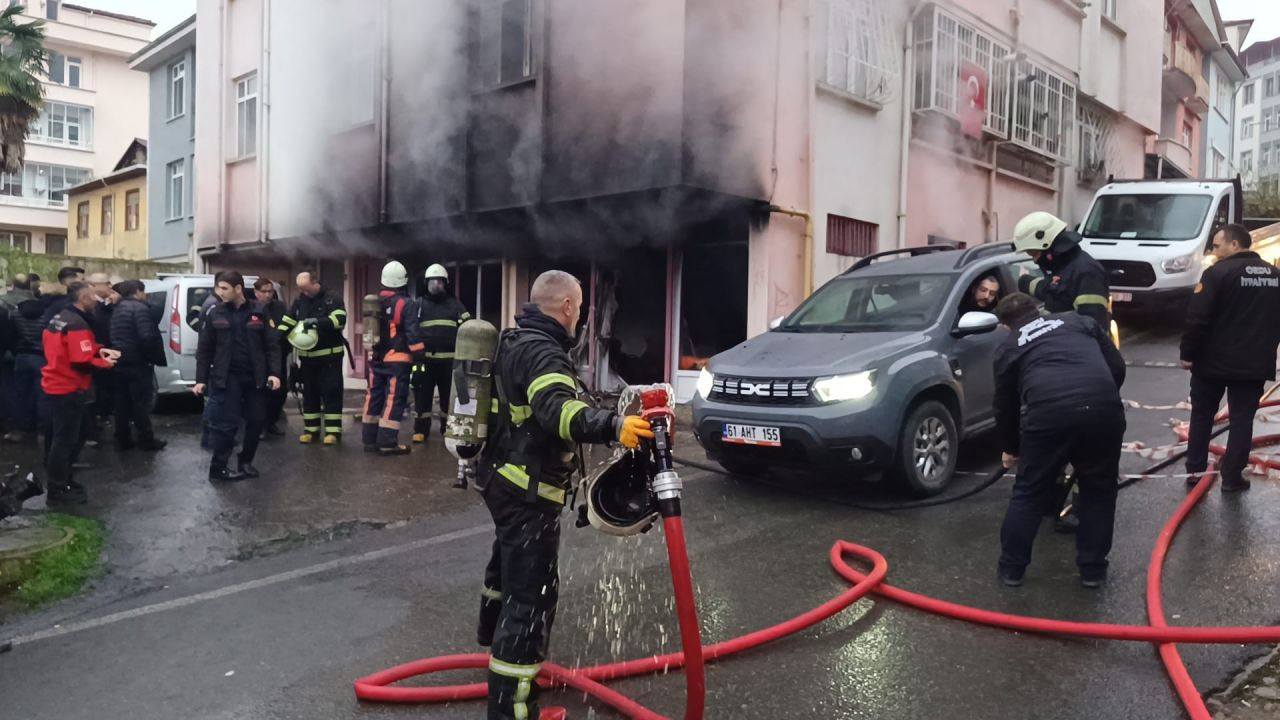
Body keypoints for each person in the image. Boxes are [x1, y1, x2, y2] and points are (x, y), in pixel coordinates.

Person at [476, 270, 653, 720]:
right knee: (530, 601)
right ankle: (513, 709)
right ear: (570, 307)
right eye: (579, 309)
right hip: (527, 491)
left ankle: (489, 641)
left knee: (508, 572)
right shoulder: (544, 353)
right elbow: (558, 409)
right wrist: (614, 426)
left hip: (501, 480)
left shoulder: (516, 341)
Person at [992, 293, 1126, 589]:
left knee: (1028, 492)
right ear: (1038, 310)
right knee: (1099, 491)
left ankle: (1012, 570)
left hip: (1049, 417)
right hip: (1104, 412)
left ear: (1005, 325)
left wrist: (1011, 448)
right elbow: (1116, 367)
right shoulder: (1078, 321)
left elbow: (1005, 406)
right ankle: (1093, 571)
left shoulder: (1009, 346)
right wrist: (1097, 400)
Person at [1180, 224, 1280, 493]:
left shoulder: (1216, 274)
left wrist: (1188, 354)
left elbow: (1197, 319)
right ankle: (1233, 478)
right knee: (1242, 419)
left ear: (1234, 245)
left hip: (1212, 363)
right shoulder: (1275, 276)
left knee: (1202, 416)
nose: (1214, 251)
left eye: (1217, 245)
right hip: (1253, 364)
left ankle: (1196, 471)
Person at [193, 271, 282, 482]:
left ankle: (246, 461)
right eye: (217, 288)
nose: (219, 292)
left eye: (224, 288)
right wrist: (200, 380)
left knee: (256, 421)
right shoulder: (215, 313)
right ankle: (219, 468)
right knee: (226, 425)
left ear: (238, 289)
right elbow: (204, 349)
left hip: (255, 378)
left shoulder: (259, 311)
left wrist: (274, 374)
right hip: (226, 377)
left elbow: (272, 346)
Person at [40, 282, 119, 503]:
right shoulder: (77, 324)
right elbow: (80, 361)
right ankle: (57, 488)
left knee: (73, 434)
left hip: (57, 383)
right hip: (69, 386)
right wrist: (105, 363)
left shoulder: (59, 318)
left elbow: (71, 349)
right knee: (66, 439)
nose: (96, 299)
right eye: (93, 295)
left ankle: (64, 479)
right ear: (83, 298)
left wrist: (99, 350)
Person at [278, 271, 347, 445]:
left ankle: (332, 432)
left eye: (306, 289)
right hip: (307, 358)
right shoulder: (300, 300)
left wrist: (316, 321)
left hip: (329, 356)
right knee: (309, 394)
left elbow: (339, 320)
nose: (304, 292)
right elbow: (289, 319)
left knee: (331, 392)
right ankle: (311, 429)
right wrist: (277, 335)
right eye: (301, 289)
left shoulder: (332, 298)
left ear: (315, 282)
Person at [1012, 211, 1111, 331]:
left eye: (1033, 253)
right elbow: (1053, 291)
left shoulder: (1087, 273)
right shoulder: (1063, 267)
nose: (1034, 260)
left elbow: (1092, 326)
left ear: (1048, 249)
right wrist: (1024, 281)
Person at [362, 261, 417, 455]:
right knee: (394, 399)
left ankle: (369, 440)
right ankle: (387, 442)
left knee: (373, 396)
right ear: (403, 281)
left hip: (376, 358)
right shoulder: (406, 303)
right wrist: (421, 355)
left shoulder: (376, 302)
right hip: (398, 360)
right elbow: (412, 335)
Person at [411, 264, 471, 444]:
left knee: (448, 398)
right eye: (432, 282)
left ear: (446, 284)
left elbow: (468, 330)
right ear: (426, 284)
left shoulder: (456, 305)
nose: (436, 286)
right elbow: (411, 330)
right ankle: (420, 430)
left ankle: (447, 428)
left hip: (449, 362)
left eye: (439, 282)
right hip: (425, 361)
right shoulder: (419, 305)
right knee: (422, 397)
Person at [109, 280, 168, 451]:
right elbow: (147, 337)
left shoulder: (118, 309)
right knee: (140, 402)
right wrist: (153, 357)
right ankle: (146, 439)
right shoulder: (141, 309)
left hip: (119, 360)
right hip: (137, 362)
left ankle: (122, 438)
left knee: (122, 402)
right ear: (138, 292)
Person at [7, 275, 45, 444]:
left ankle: (18, 430)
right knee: (42, 395)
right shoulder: (46, 313)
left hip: (21, 356)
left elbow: (10, 335)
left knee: (20, 394)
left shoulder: (15, 313)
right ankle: (42, 431)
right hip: (42, 357)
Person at [254, 278, 290, 438]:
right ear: (256, 292)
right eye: (264, 291)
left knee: (280, 392)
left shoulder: (279, 307)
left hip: (279, 355)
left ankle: (271, 423)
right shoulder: (253, 309)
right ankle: (260, 426)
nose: (268, 295)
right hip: (260, 359)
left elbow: (288, 323)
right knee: (262, 395)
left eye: (270, 291)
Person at [86, 272, 117, 444]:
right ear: (94, 285)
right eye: (107, 283)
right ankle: (92, 428)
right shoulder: (90, 306)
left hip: (109, 352)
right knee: (94, 393)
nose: (110, 286)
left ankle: (103, 417)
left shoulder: (111, 305)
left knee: (108, 389)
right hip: (94, 354)